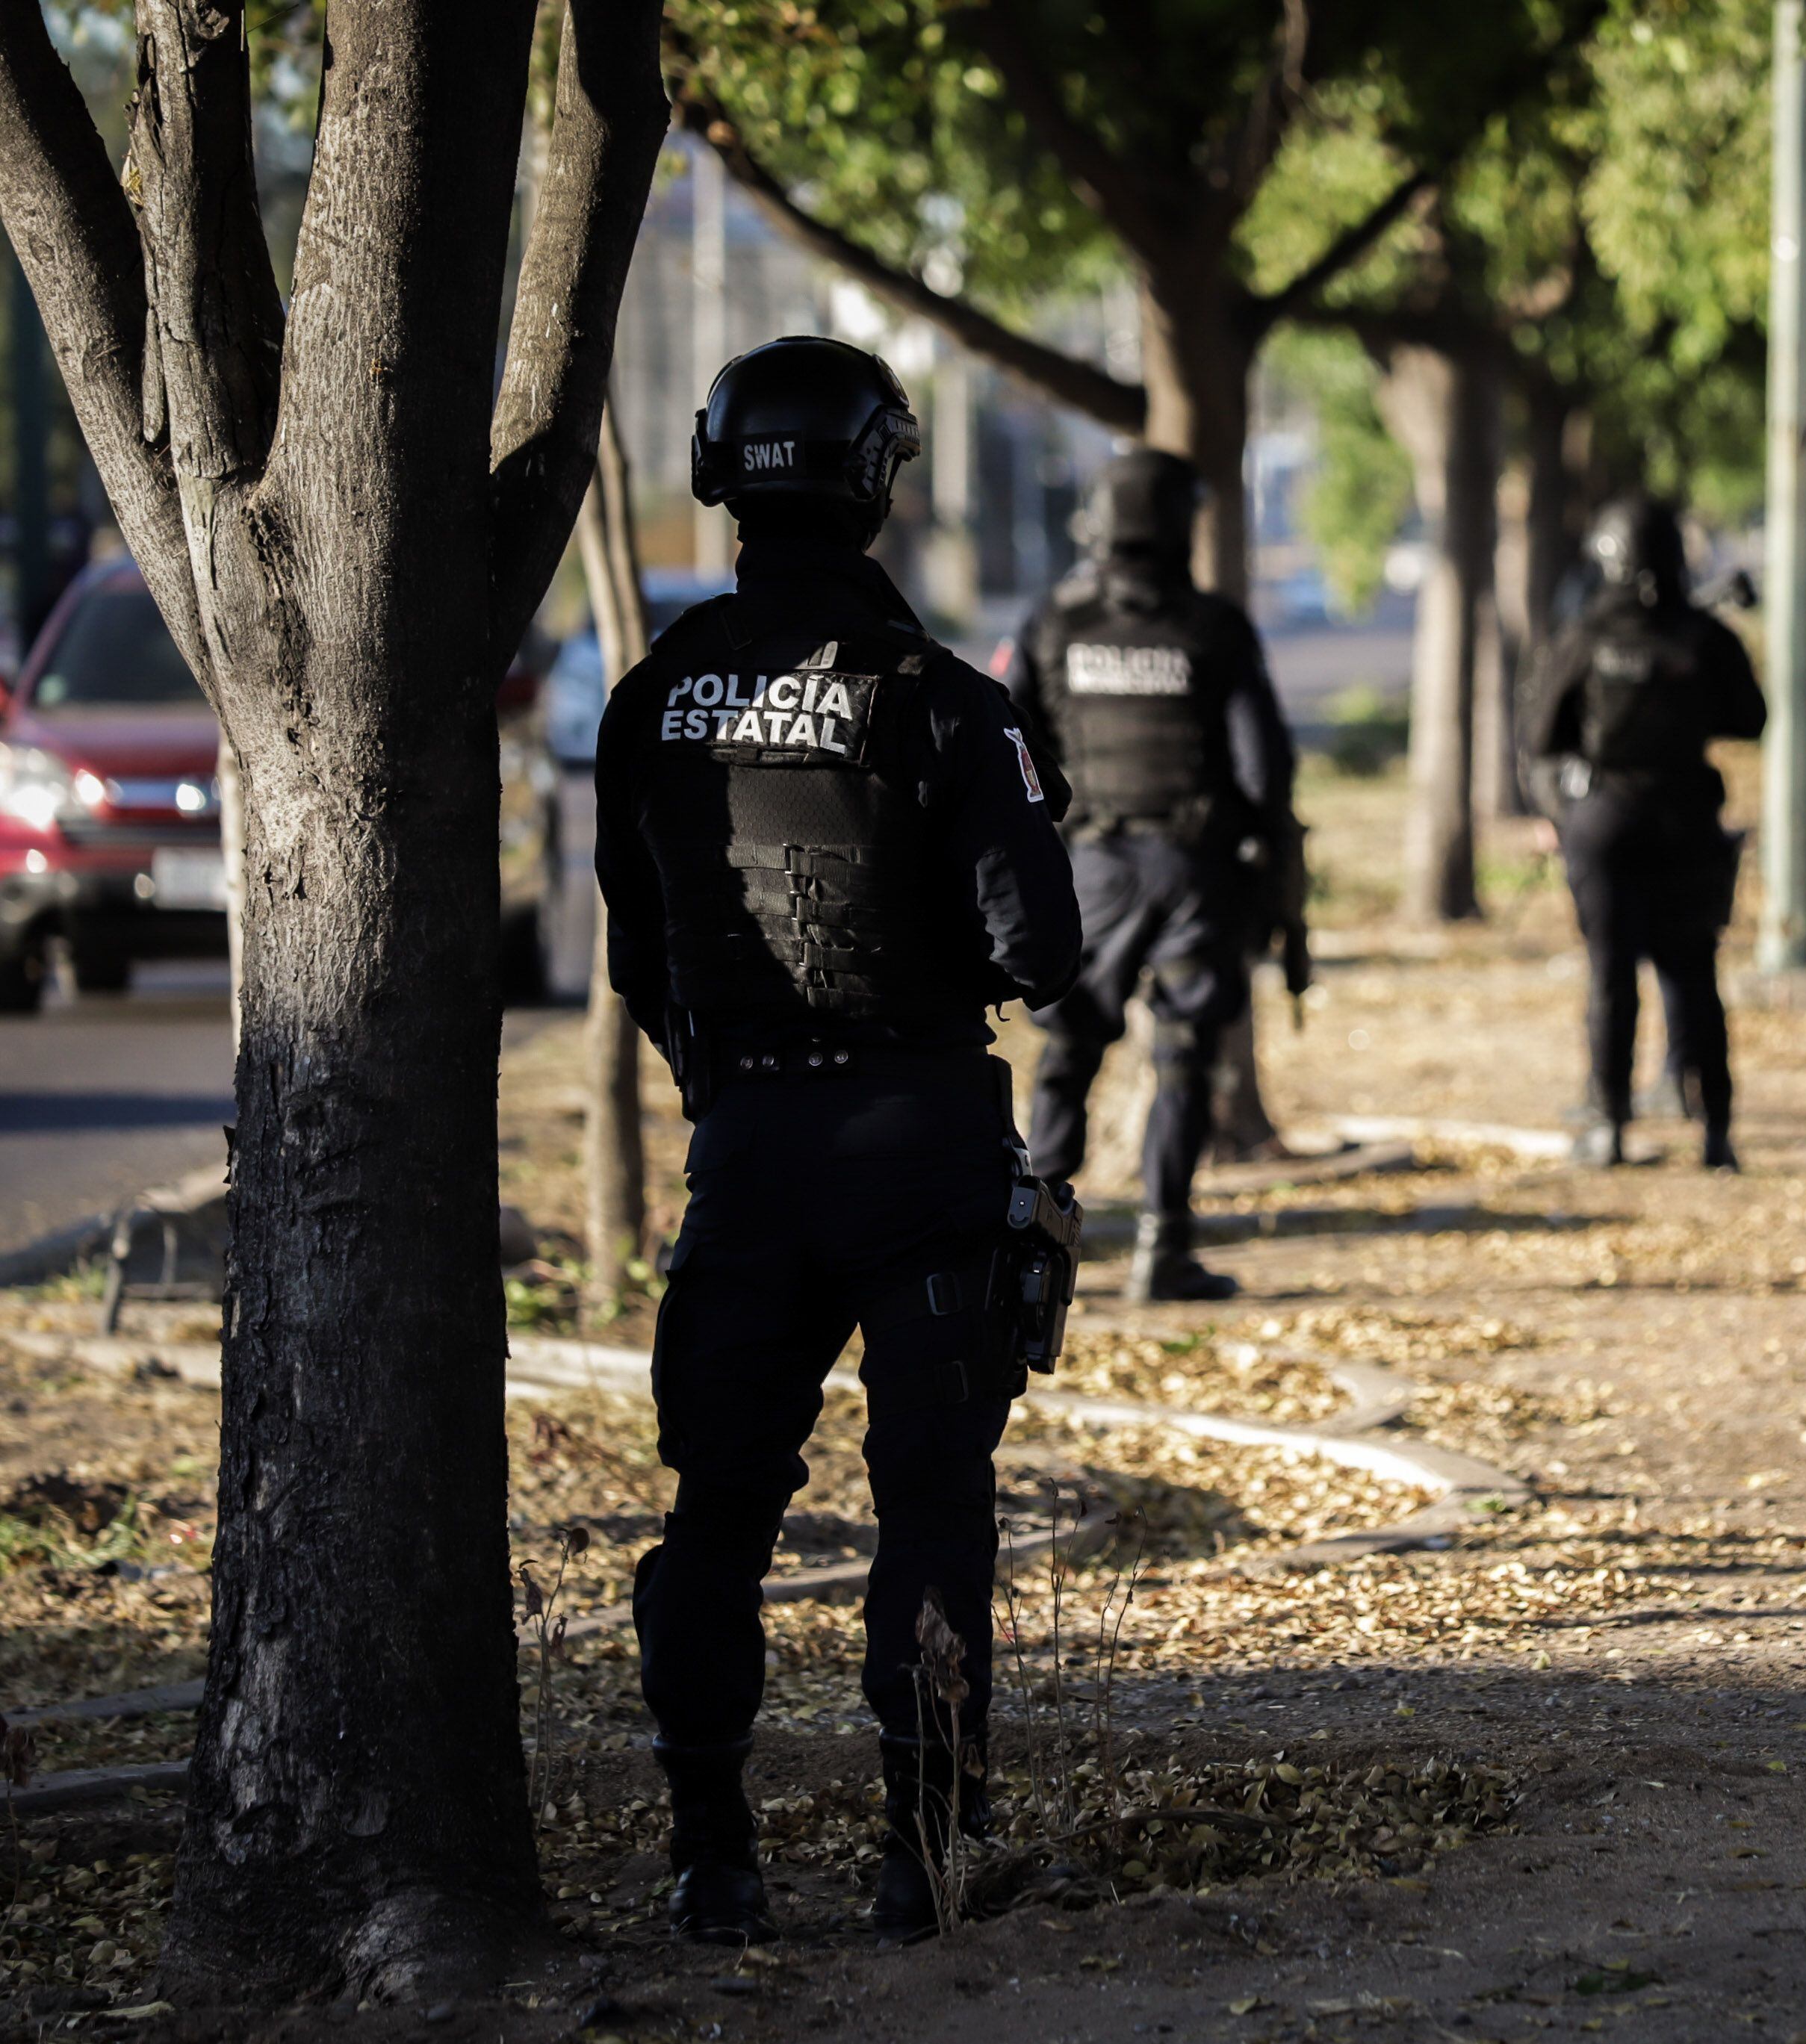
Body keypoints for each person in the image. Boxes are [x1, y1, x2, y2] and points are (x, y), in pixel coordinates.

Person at [593, 335, 1083, 1948]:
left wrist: (732, 1084)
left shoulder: (652, 700)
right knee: (930, 1501)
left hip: (745, 1149)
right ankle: (919, 1856)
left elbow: (635, 954)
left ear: (719, 470)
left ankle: (711, 1860)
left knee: (715, 1512)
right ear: (882, 476)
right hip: (922, 1145)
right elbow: (1040, 950)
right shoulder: (949, 706)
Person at [1005, 448, 1302, 1302]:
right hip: (1192, 875)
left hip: (1091, 871)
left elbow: (1010, 744)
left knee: (1067, 1053)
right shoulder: (1214, 628)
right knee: (1181, 1058)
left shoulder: (1051, 623)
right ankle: (1162, 1252)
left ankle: (1036, 1256)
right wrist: (1262, 861)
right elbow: (1264, 770)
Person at [1530, 494, 1766, 1169]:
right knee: (1695, 974)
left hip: (1605, 824)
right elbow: (1749, 717)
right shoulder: (1704, 636)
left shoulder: (1583, 637)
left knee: (1610, 977)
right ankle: (1715, 1130)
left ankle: (1608, 1123)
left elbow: (1542, 737)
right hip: (1686, 819)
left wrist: (1561, 814)